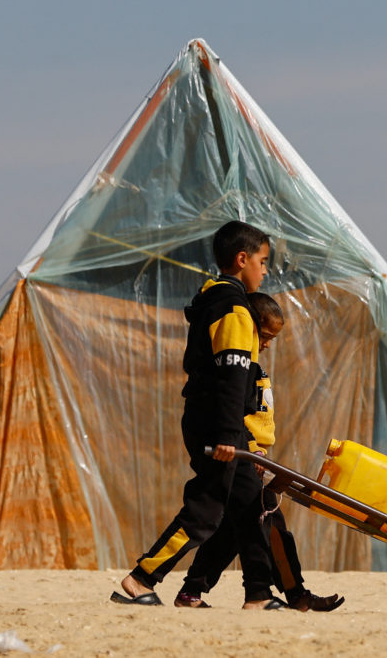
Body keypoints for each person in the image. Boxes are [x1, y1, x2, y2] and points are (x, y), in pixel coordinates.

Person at [113, 220, 283, 610]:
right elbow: (232, 375)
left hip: (218, 420)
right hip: (218, 423)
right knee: (206, 509)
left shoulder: (214, 298)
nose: (265, 270)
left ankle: (259, 594)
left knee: (251, 505)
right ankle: (141, 578)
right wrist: (227, 433)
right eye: (262, 261)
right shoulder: (235, 309)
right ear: (242, 260)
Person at [174, 292, 345, 612]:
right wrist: (250, 452)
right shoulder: (239, 372)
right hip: (244, 455)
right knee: (265, 521)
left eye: (271, 339)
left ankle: (194, 590)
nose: (266, 344)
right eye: (264, 336)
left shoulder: (254, 370)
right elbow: (234, 416)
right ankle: (288, 594)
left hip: (253, 455)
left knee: (237, 529)